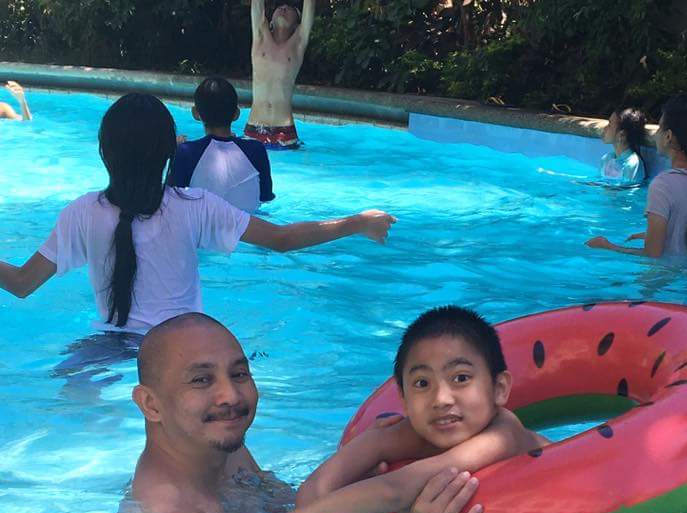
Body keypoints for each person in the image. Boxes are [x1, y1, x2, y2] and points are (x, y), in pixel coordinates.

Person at [115, 311, 483, 513]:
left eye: (239, 373)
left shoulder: (220, 444)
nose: (231, 396)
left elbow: (279, 502)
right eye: (201, 380)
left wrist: (357, 469)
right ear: (151, 404)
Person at [0, 92, 395, 334]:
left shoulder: (81, 213)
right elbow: (282, 239)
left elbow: (20, 283)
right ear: (170, 150)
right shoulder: (194, 206)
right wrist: (357, 222)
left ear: (104, 151)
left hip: (107, 347)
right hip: (184, 349)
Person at [242, 305, 547, 513]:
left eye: (461, 378)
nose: (441, 399)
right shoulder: (403, 432)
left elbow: (396, 489)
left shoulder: (502, 435)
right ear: (403, 398)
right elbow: (318, 485)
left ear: (499, 389)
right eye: (422, 383)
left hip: (557, 508)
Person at [587, 94, 687, 257]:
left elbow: (652, 257)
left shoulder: (663, 185)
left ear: (668, 136)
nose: (655, 133)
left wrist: (608, 246)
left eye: (659, 127)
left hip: (666, 274)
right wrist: (660, 235)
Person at [170, 76, 274, 214]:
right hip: (250, 225)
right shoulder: (257, 149)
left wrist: (173, 151)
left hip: (202, 225)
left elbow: (171, 200)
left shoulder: (185, 152)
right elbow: (265, 197)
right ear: (236, 114)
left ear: (195, 113)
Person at [245, 0, 315, 149]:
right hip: (254, 129)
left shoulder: (297, 45)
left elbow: (309, 7)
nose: (284, 8)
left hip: (284, 132)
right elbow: (257, 4)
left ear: (296, 25)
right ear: (270, 21)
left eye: (290, 8)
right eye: (280, 7)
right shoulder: (260, 36)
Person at [598, 107, 647, 186]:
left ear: (622, 135)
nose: (605, 128)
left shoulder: (632, 164)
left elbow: (626, 192)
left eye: (609, 125)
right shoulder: (606, 158)